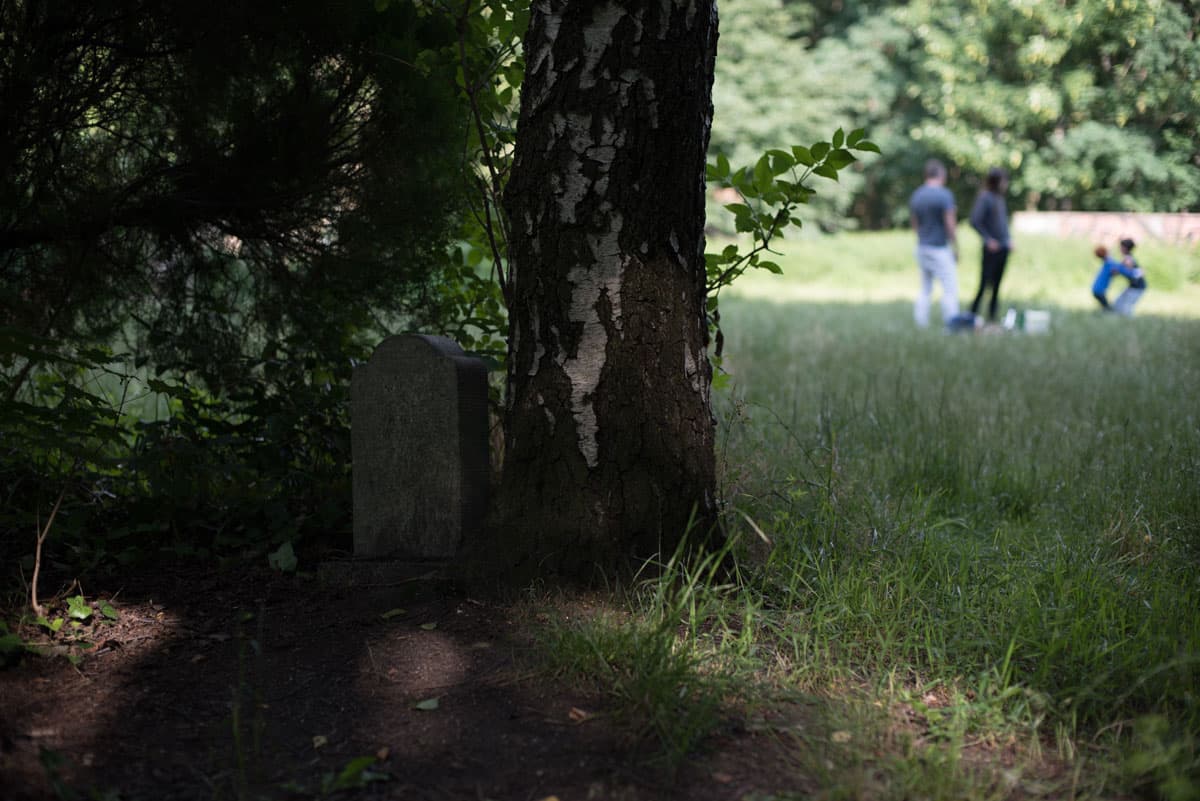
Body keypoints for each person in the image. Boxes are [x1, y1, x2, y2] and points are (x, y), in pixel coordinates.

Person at [909, 159, 960, 328]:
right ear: (941, 175)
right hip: (939, 248)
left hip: (922, 246)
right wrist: (955, 246)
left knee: (925, 288)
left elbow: (914, 223)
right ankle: (952, 323)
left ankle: (920, 323)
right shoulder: (944, 195)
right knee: (950, 288)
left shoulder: (917, 195)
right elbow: (950, 224)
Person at [968, 167, 1013, 323]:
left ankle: (992, 316)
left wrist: (1009, 240)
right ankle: (972, 315)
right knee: (984, 284)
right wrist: (988, 240)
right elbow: (974, 221)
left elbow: (1003, 225)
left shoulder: (999, 199)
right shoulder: (985, 198)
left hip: (1004, 248)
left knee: (997, 286)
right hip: (991, 250)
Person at [1113, 238, 1147, 316]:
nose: (1119, 249)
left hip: (1137, 287)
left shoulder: (1128, 259)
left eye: (1121, 247)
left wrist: (1117, 270)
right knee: (1118, 303)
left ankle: (1129, 322)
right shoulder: (1127, 258)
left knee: (1127, 307)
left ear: (1125, 248)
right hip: (1132, 286)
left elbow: (1136, 273)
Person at [1091, 244, 1122, 311]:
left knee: (1105, 306)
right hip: (1099, 290)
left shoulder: (1106, 262)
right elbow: (1115, 271)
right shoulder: (1109, 262)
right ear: (1106, 252)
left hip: (1095, 289)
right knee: (1107, 308)